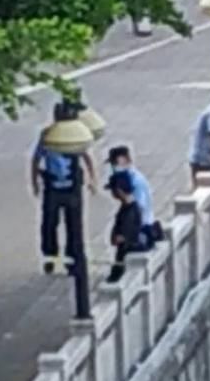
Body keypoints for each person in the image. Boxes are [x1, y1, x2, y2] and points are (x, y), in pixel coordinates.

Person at [30, 103, 96, 275]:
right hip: (53, 187)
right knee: (49, 223)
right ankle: (50, 256)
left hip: (72, 186)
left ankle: (74, 259)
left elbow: (86, 156)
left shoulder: (75, 134)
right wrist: (35, 182)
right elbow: (36, 159)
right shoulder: (47, 135)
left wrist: (92, 178)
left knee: (74, 225)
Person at [106, 146, 159, 246]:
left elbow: (140, 208)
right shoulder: (130, 177)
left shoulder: (135, 181)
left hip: (141, 231)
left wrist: (126, 234)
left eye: (115, 163)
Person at [106, 171, 144, 282]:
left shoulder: (130, 212)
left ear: (118, 190)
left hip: (126, 257)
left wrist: (115, 237)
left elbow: (123, 238)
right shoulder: (130, 207)